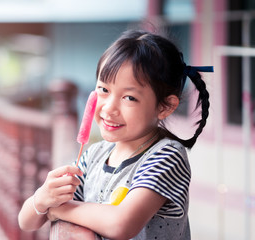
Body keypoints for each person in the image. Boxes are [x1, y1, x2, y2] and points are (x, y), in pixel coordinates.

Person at [18, 29, 213, 240]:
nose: (109, 108)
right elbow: (26, 221)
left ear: (165, 106)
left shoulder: (166, 156)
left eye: (129, 97)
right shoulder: (94, 155)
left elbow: (122, 224)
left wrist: (58, 210)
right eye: (103, 90)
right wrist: (42, 199)